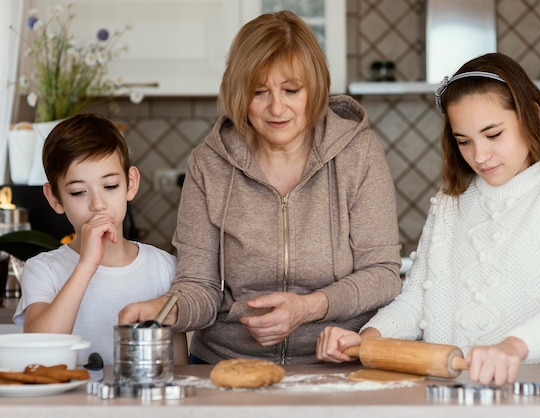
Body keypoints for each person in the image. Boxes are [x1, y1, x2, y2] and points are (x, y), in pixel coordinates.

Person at [118, 10, 402, 365]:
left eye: (291, 90)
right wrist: (165, 308)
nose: (276, 108)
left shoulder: (357, 154)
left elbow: (384, 275)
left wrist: (308, 308)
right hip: (225, 365)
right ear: (240, 94)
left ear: (314, 89)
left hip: (335, 364)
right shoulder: (209, 164)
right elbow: (199, 286)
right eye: (259, 92)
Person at [316, 52, 540, 385]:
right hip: (455, 398)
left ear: (531, 116)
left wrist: (515, 347)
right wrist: (369, 337)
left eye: (493, 135)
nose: (479, 156)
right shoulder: (450, 203)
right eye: (464, 141)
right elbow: (417, 301)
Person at [13, 113, 188, 365]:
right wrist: (86, 265)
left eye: (110, 186)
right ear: (54, 198)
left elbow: (178, 367)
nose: (98, 204)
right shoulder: (42, 269)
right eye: (78, 192)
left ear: (130, 183)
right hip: (69, 405)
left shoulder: (164, 267)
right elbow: (39, 350)